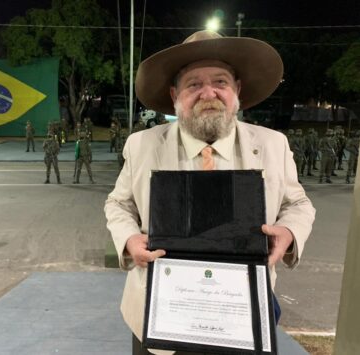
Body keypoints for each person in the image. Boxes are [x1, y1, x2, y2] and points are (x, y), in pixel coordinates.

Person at [104, 30, 315, 355]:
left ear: (237, 90)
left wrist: (288, 232)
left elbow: (298, 204)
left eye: (220, 82)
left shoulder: (273, 145)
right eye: (193, 84)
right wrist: (130, 241)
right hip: (161, 311)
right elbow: (119, 204)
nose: (208, 93)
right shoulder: (142, 145)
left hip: (243, 314)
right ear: (175, 94)